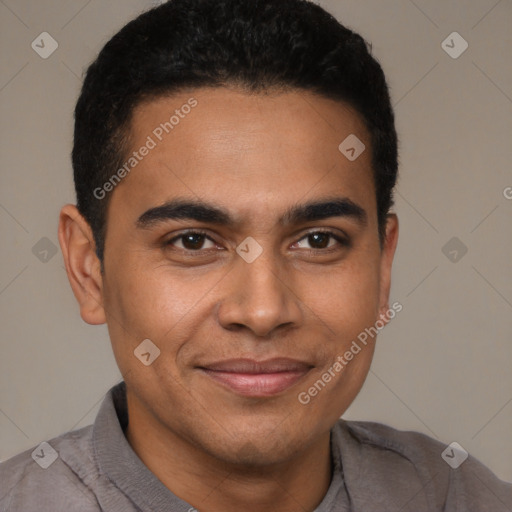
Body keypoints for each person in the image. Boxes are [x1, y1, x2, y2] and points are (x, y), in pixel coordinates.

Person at [1, 0, 510, 510]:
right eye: (193, 241)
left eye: (318, 240)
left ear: (382, 267)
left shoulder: (463, 498)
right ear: (90, 269)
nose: (264, 311)